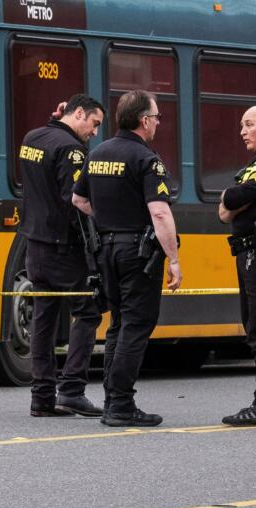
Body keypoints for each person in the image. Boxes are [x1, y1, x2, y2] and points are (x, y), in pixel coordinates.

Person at [73, 90, 181, 427]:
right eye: (157, 117)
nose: (158, 123)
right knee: (136, 325)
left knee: (119, 323)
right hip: (137, 252)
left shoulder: (98, 153)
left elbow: (78, 199)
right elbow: (160, 214)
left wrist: (107, 219)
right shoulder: (147, 159)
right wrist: (173, 259)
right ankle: (121, 404)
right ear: (144, 120)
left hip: (106, 250)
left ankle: (111, 401)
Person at [18, 94, 105, 418]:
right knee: (88, 312)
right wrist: (96, 241)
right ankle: (71, 390)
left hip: (33, 243)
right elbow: (75, 203)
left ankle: (41, 397)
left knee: (44, 316)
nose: (95, 132)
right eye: (94, 123)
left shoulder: (33, 137)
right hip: (63, 246)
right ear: (78, 113)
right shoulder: (71, 150)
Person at [218, 105, 256, 426]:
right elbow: (230, 208)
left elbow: (229, 203)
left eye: (249, 124)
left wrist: (231, 199)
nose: (242, 131)